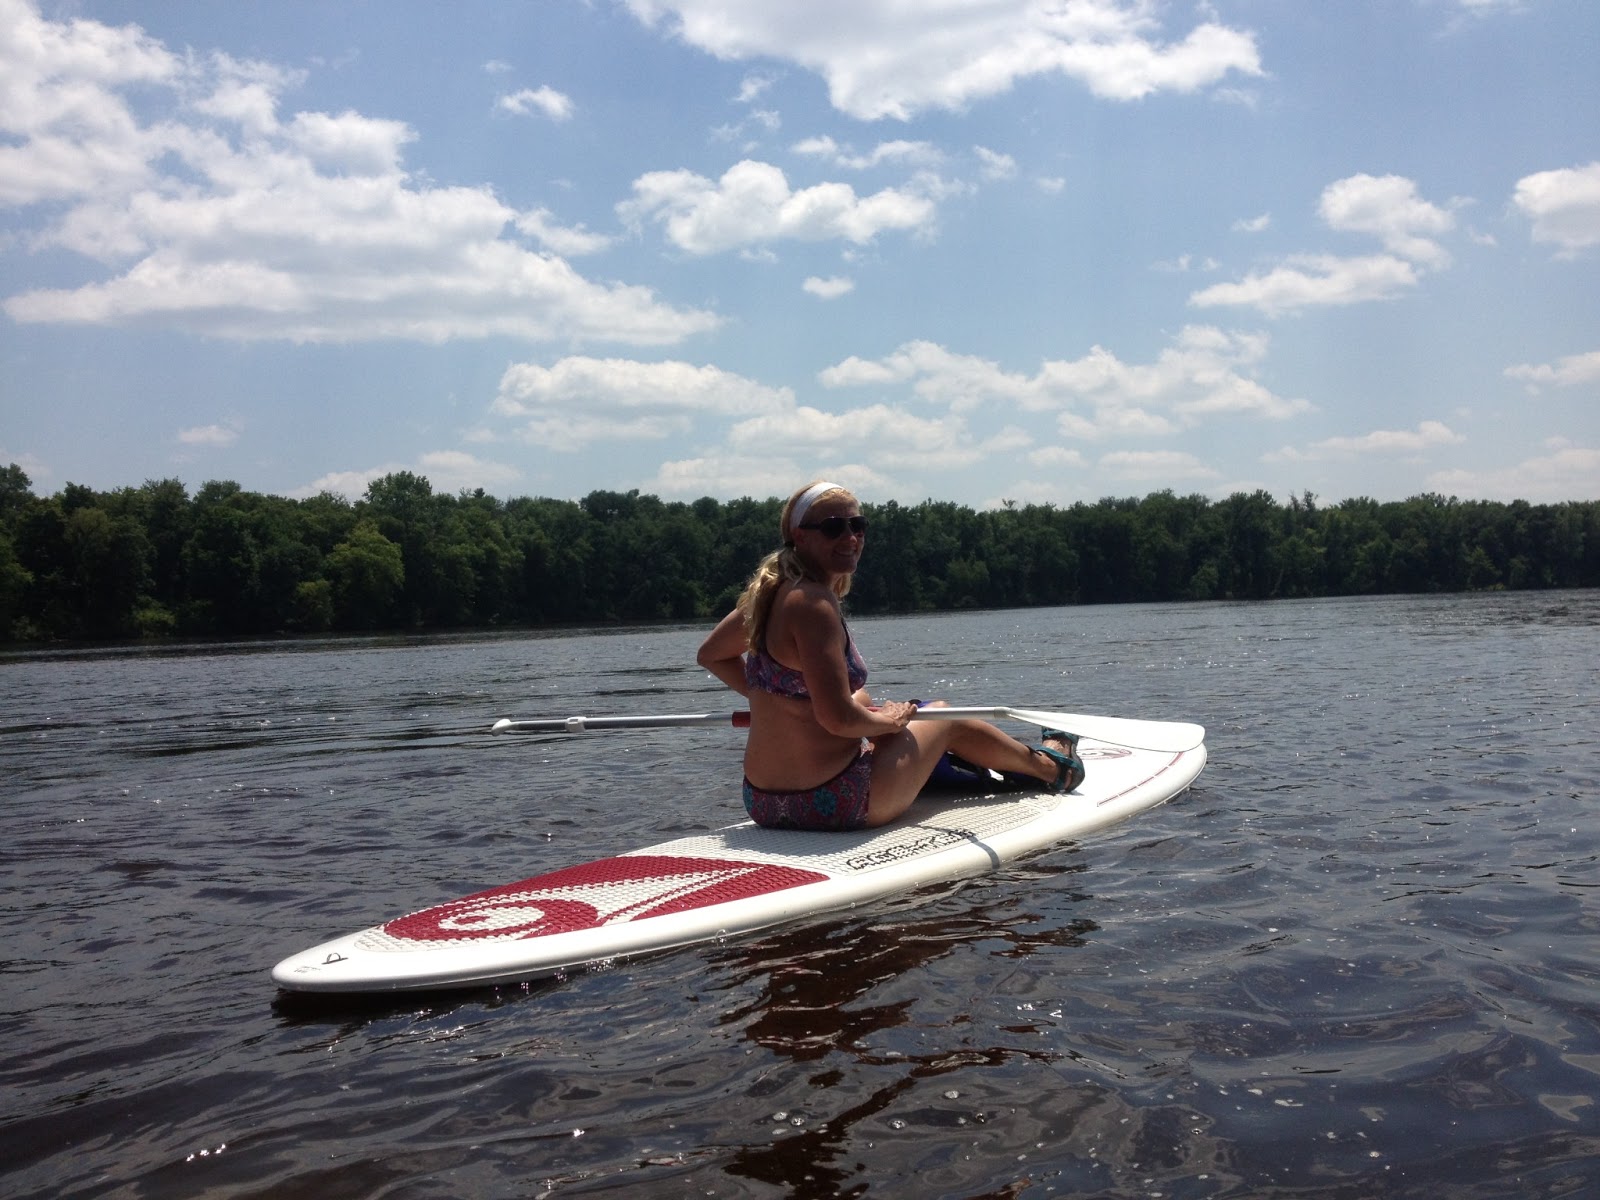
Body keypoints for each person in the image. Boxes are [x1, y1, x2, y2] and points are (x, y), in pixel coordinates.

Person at [697, 480, 1084, 831]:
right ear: (799, 536)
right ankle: (1052, 768)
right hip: (834, 803)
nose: (850, 536)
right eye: (834, 527)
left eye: (858, 525)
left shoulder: (765, 598)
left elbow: (712, 655)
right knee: (944, 715)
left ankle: (940, 766)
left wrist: (774, 704)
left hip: (762, 802)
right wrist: (894, 721)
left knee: (863, 700)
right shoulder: (812, 603)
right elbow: (836, 719)